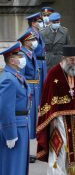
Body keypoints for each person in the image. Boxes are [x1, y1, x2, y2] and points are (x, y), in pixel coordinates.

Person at [36, 45, 75, 175]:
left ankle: (69, 172)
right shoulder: (54, 73)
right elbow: (47, 98)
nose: (74, 62)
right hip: (60, 119)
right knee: (59, 147)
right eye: (71, 59)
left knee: (74, 147)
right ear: (63, 58)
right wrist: (51, 118)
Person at [0, 42, 30, 175]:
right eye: (19, 56)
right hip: (15, 128)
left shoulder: (16, 76)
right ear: (12, 60)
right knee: (13, 166)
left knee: (20, 165)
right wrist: (10, 134)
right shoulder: (8, 79)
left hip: (22, 124)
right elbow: (5, 109)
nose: (22, 59)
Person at [17, 31, 41, 163]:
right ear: (26, 41)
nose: (34, 41)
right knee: (28, 122)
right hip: (29, 90)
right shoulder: (23, 56)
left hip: (34, 89)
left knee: (32, 123)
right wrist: (27, 92)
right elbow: (21, 76)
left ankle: (28, 152)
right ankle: (26, 153)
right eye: (31, 39)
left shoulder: (30, 54)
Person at [26, 12, 47, 99]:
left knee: (43, 87)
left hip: (42, 63)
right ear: (33, 23)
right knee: (38, 88)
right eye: (39, 21)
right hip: (36, 62)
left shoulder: (38, 32)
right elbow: (29, 50)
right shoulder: (30, 34)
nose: (41, 23)